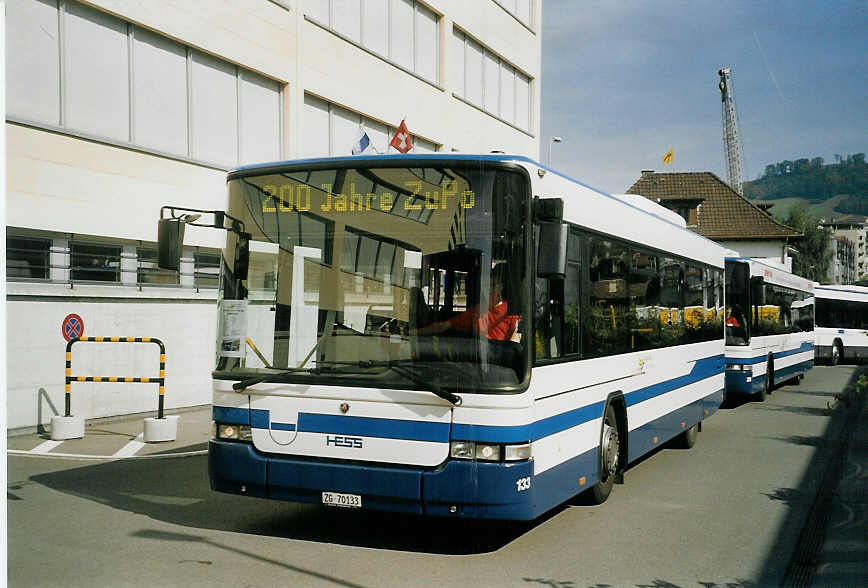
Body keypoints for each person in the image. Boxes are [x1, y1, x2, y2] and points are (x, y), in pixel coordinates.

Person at [415, 269, 521, 342]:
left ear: (501, 287)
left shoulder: (512, 312)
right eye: (486, 285)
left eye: (493, 285)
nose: (489, 289)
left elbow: (515, 340)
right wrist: (414, 332)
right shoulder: (477, 311)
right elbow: (444, 326)